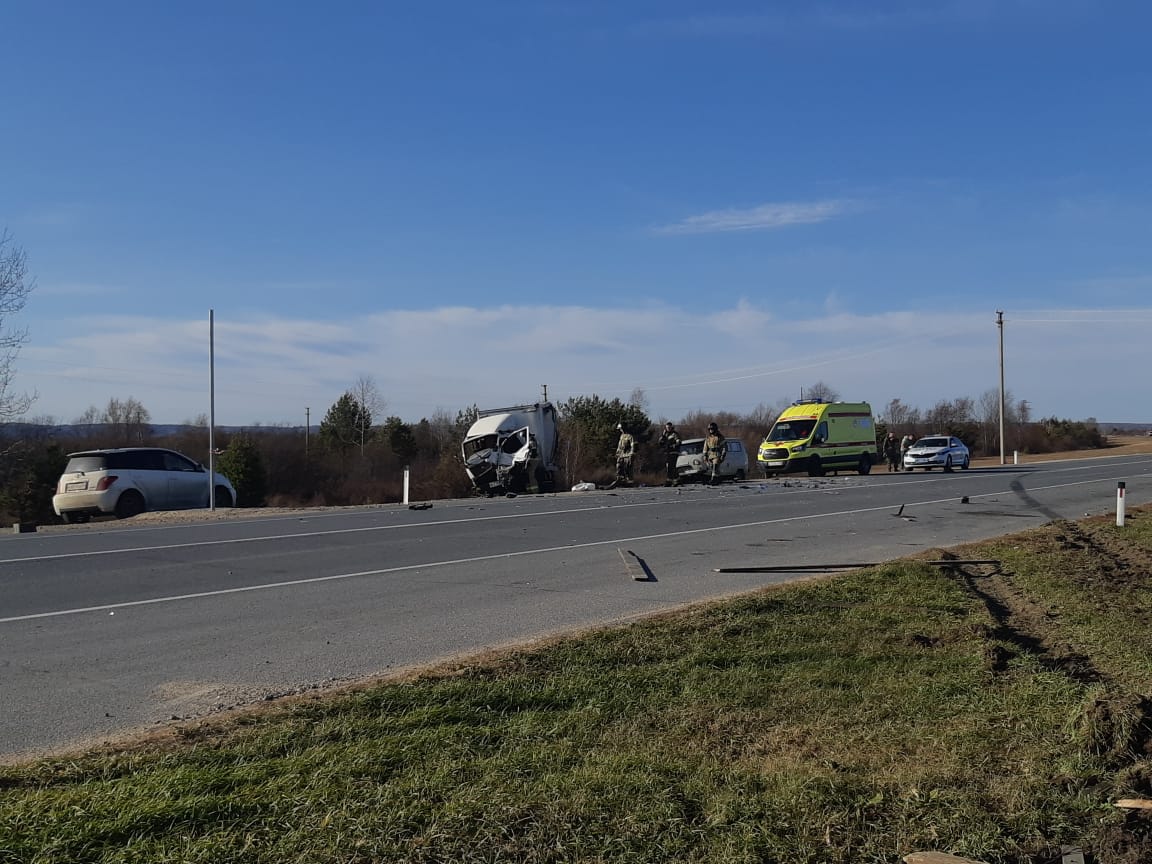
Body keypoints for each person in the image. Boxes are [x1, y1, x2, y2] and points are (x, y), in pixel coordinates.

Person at [657, 421, 682, 486]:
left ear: (671, 427)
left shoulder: (674, 434)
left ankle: (672, 480)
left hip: (673, 452)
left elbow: (679, 442)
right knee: (669, 466)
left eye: (669, 427)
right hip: (667, 452)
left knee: (672, 466)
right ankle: (674, 480)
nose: (668, 428)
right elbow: (660, 442)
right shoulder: (665, 434)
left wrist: (673, 445)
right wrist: (662, 436)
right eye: (667, 427)